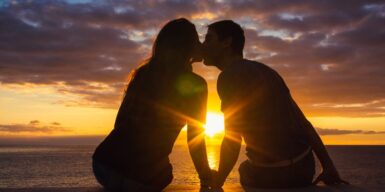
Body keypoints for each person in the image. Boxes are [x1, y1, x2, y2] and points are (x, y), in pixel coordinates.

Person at [202, 20, 349, 189]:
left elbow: (232, 139)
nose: (203, 45)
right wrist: (328, 165)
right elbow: (304, 123)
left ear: (227, 42)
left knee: (244, 169)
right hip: (304, 169)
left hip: (271, 174)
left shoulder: (229, 76)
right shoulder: (267, 71)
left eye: (208, 39)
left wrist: (217, 183)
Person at [92, 18, 212, 191]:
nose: (200, 44)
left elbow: (120, 121)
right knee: (165, 173)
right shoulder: (196, 84)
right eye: (197, 40)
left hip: (104, 163)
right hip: (141, 175)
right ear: (188, 46)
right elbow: (195, 137)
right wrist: (205, 176)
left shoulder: (143, 74)